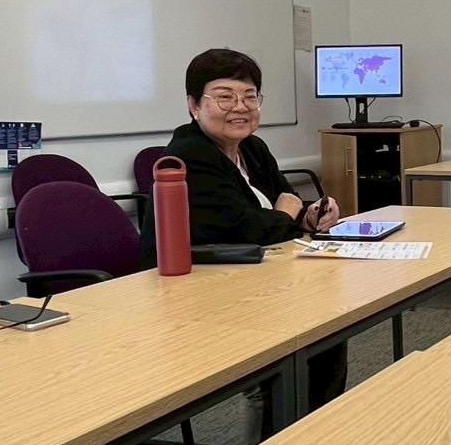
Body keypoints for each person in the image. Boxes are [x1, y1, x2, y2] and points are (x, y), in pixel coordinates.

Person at [140, 49, 347, 425]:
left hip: (255, 279)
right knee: (295, 344)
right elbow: (248, 229)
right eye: (224, 97)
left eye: (250, 96)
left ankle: (315, 434)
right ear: (194, 105)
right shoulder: (191, 155)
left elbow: (282, 207)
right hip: (200, 293)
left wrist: (309, 215)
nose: (240, 107)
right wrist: (285, 214)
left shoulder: (252, 147)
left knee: (326, 329)